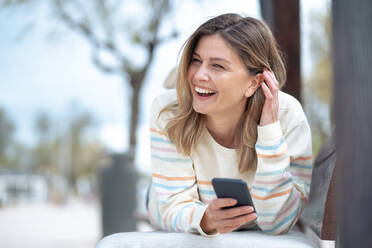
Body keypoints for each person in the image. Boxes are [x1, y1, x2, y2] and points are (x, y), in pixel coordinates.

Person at [148, 13, 312, 236]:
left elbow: (277, 222)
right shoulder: (168, 111)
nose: (199, 75)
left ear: (254, 83)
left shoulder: (287, 115)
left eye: (217, 66)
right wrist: (204, 219)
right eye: (196, 61)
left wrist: (269, 133)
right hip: (169, 203)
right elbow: (172, 205)